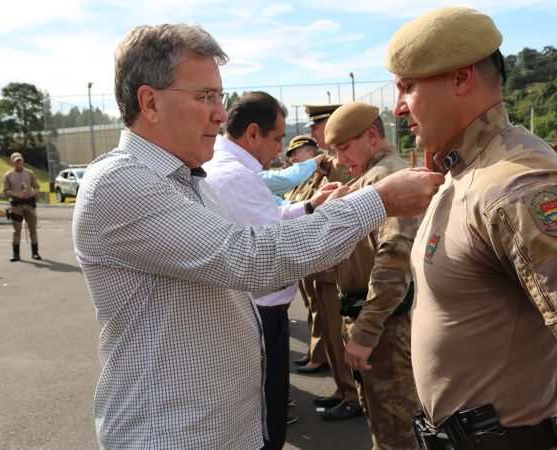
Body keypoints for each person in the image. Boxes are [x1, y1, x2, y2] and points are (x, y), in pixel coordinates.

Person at [72, 23, 444, 449]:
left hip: (214, 427)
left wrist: (311, 211)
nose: (219, 113)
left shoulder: (186, 180)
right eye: (205, 96)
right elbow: (248, 258)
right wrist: (377, 201)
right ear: (150, 102)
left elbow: (246, 239)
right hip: (173, 433)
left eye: (220, 97)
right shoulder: (122, 182)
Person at [387, 6, 557, 449]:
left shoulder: (516, 185)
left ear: (461, 79)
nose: (397, 106)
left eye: (408, 87)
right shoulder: (466, 172)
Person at [202, 91, 339, 449]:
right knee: (268, 418)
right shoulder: (236, 177)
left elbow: (269, 222)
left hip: (255, 309)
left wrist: (309, 207)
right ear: (252, 134)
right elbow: (277, 249)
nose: (280, 150)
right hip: (262, 313)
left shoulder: (229, 169)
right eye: (277, 139)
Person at [321, 101, 421, 448]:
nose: (339, 159)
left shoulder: (385, 179)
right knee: (385, 422)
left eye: (344, 148)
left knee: (396, 430)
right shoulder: (370, 178)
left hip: (385, 326)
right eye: (334, 151)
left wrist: (365, 331)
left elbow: (394, 258)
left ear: (372, 136)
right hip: (375, 319)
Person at [288, 104, 355, 378]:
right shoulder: (326, 164)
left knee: (335, 327)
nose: (314, 131)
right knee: (325, 321)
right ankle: (342, 388)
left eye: (317, 125)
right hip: (318, 258)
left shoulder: (339, 166)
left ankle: (349, 393)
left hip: (333, 263)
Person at [3, 152, 41, 261]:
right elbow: (5, 191)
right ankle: (16, 254)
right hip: (16, 206)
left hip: (29, 205)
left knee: (33, 229)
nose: (18, 163)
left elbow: (37, 187)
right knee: (16, 231)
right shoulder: (8, 175)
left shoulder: (30, 173)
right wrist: (17, 195)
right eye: (16, 161)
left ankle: (35, 252)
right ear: (12, 162)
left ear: (23, 161)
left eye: (20, 160)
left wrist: (31, 194)